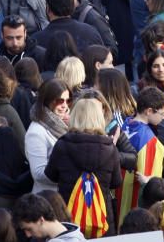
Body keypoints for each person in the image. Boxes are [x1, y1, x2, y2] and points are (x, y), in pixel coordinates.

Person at [45, 98, 123, 234]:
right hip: (101, 218)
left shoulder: (62, 145)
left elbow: (51, 175)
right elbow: (116, 182)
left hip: (68, 216)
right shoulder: (110, 148)